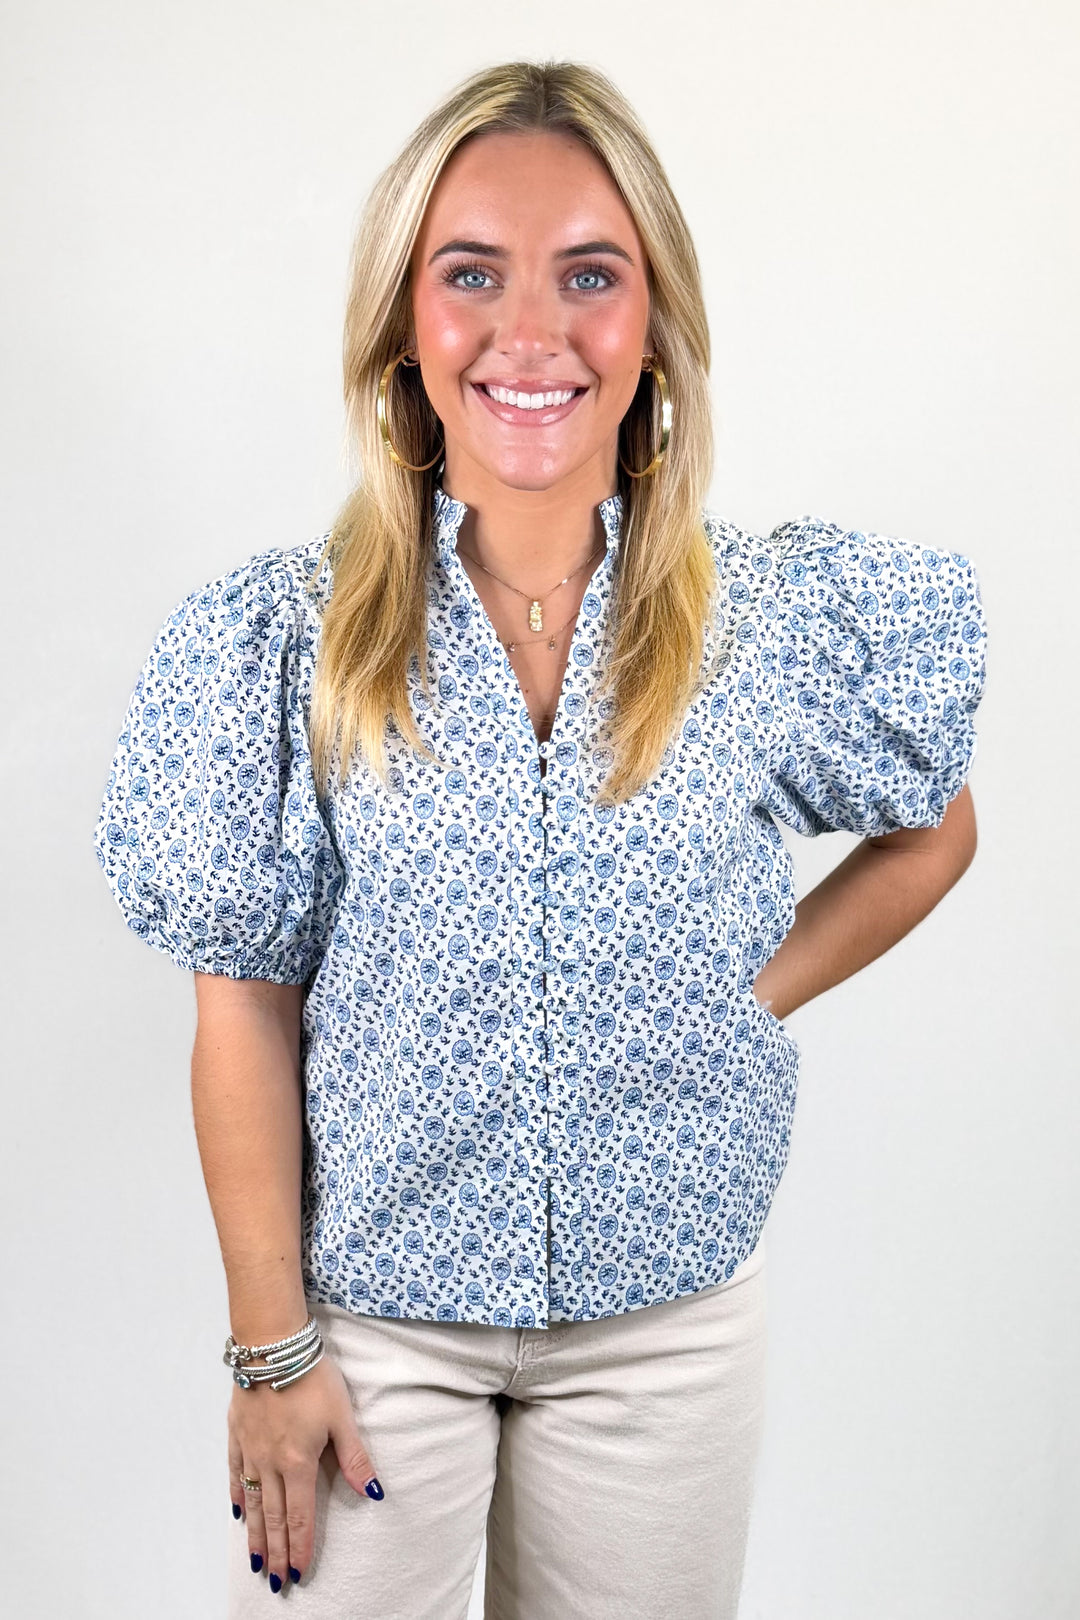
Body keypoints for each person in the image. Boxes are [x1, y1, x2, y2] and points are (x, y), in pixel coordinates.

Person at [92, 57, 989, 1620]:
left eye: (590, 273)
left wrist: (747, 993)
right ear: (406, 328)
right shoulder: (293, 641)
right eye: (470, 274)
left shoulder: (761, 622)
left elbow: (938, 828)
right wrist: (270, 1349)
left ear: (653, 326)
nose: (531, 332)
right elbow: (240, 1000)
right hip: (371, 1328)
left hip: (669, 1330)